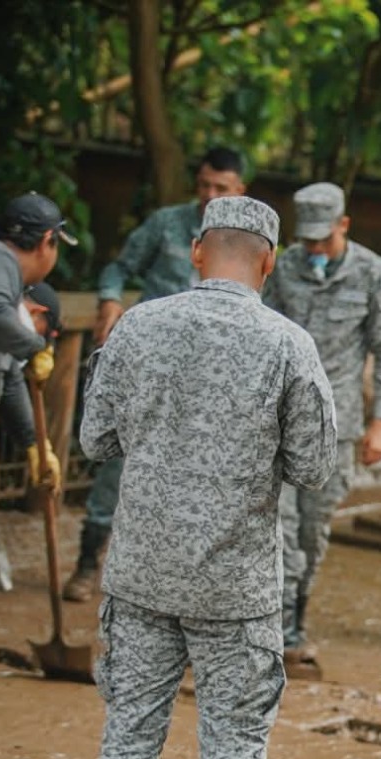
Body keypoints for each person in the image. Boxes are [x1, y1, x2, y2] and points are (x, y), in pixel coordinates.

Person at [81, 195, 337, 759]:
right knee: (233, 742)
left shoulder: (138, 327)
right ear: (269, 261)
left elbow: (94, 438)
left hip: (141, 571)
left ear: (197, 251)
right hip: (236, 585)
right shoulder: (289, 344)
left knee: (130, 731)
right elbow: (314, 466)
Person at [66, 146, 249, 603]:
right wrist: (110, 299)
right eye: (204, 184)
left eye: (221, 188)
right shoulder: (166, 224)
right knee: (118, 464)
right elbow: (119, 267)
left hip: (209, 379)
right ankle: (88, 561)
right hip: (150, 369)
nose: (210, 195)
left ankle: (166, 577)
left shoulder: (248, 239)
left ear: (239, 190)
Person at [261, 182, 381, 678]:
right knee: (279, 528)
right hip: (278, 419)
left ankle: (295, 619)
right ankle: (279, 633)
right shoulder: (283, 268)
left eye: (323, 239)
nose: (315, 249)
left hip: (335, 428)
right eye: (308, 240)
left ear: (344, 225)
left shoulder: (372, 271)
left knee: (312, 531)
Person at [0, 194, 68, 658]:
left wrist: (35, 445)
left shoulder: (2, 296)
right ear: (46, 241)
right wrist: (34, 347)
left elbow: (6, 382)